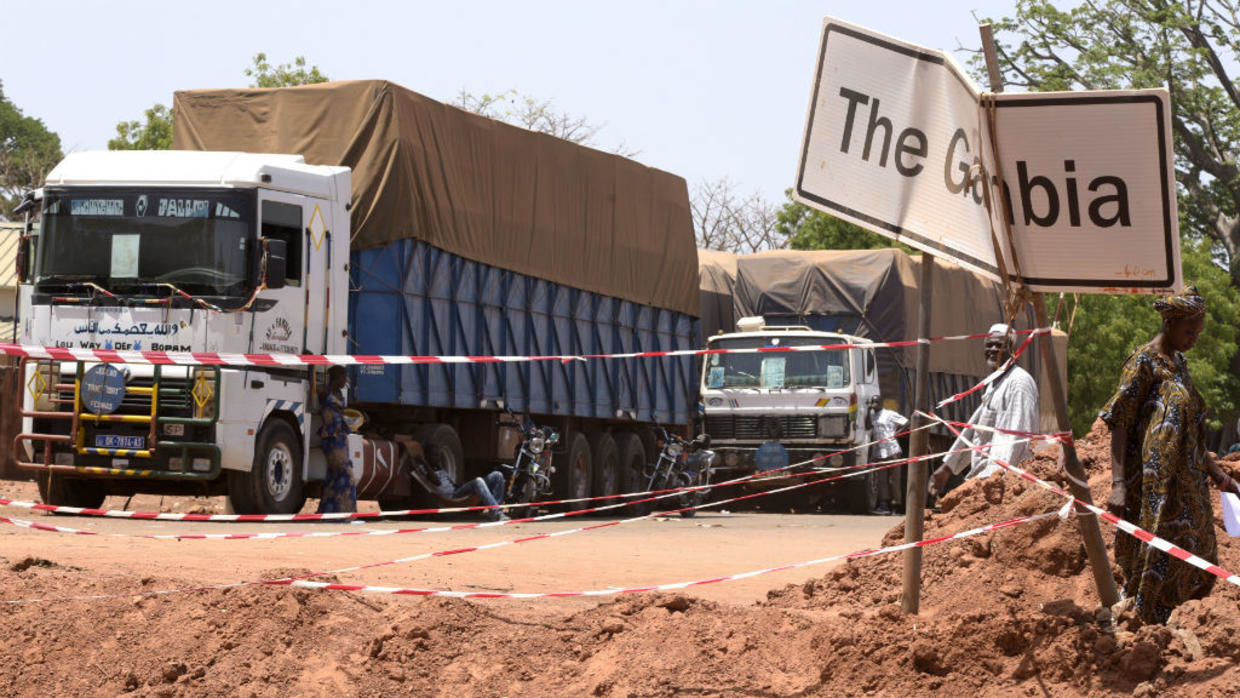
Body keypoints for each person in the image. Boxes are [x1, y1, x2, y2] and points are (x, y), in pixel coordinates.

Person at [1100, 286, 1237, 625]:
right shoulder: (1142, 362)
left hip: (1188, 487)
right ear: (1170, 322)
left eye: (1198, 332)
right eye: (1189, 331)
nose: (1194, 338)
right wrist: (1117, 483)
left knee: (1199, 549)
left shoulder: (1180, 364)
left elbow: (1191, 434)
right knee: (1156, 548)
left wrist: (1218, 475)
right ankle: (1145, 621)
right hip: (1154, 489)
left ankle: (1189, 620)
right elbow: (1119, 421)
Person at [931, 323, 1040, 496]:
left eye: (1000, 345)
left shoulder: (1018, 383)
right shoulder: (995, 382)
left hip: (1005, 483)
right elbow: (976, 427)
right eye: (989, 345)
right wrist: (947, 467)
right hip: (986, 477)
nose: (993, 349)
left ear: (1013, 349)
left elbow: (1014, 436)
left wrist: (995, 479)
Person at [418, 444, 510, 522]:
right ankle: (496, 513)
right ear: (427, 456)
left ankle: (496, 512)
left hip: (457, 491)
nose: (437, 458)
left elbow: (451, 485)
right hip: (452, 497)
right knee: (478, 481)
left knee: (497, 475)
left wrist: (462, 485)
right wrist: (424, 462)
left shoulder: (438, 468)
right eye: (434, 455)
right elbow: (436, 482)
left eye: (438, 455)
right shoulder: (424, 468)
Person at [316, 365, 358, 513]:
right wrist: (311, 367)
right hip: (330, 437)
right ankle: (344, 512)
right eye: (344, 377)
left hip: (341, 437)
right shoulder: (324, 391)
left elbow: (342, 414)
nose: (345, 380)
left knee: (334, 476)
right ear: (337, 377)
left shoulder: (340, 394)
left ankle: (328, 512)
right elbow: (311, 396)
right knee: (346, 474)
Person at [866, 395, 908, 515]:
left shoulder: (889, 414)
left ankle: (896, 505)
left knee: (894, 480)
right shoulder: (871, 416)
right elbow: (868, 427)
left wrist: (897, 434)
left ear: (881, 402)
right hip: (878, 452)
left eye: (877, 402)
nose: (875, 404)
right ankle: (884, 504)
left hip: (892, 450)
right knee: (882, 480)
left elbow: (906, 422)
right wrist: (869, 411)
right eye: (873, 402)